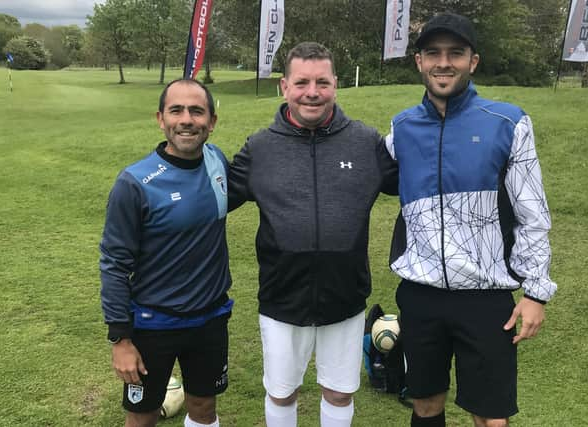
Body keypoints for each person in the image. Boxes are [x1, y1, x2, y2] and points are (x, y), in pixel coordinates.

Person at [385, 12, 558, 427]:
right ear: (419, 62)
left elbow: (532, 214)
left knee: (491, 417)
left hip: (486, 296)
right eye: (433, 53)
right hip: (421, 294)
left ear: (473, 61)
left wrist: (536, 293)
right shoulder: (402, 128)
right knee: (426, 405)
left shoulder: (509, 122)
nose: (444, 63)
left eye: (455, 53)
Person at [227, 42, 398, 427]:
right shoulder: (260, 148)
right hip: (281, 296)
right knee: (282, 391)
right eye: (302, 82)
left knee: (339, 392)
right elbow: (213, 198)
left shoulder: (365, 142)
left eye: (322, 82)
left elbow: (416, 184)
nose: (312, 92)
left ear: (336, 84)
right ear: (284, 87)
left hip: (345, 294)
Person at [99, 78, 232, 427]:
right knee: (142, 417)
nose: (186, 119)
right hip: (152, 325)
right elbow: (113, 264)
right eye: (176, 110)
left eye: (197, 111)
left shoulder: (217, 161)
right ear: (161, 119)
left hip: (210, 318)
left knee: (203, 407)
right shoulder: (134, 183)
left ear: (212, 122)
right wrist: (120, 339)